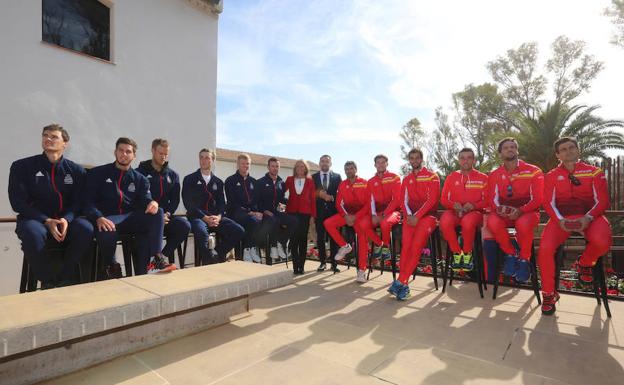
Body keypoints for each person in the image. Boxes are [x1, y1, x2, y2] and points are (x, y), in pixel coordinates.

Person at [8, 124, 94, 288]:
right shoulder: (22, 167)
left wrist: (66, 219)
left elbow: (79, 202)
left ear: (65, 143)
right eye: (45, 135)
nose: (48, 139)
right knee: (32, 233)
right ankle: (47, 281)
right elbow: (17, 202)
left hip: (65, 220)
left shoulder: (76, 171)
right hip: (35, 220)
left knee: (86, 229)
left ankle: (65, 277)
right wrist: (46, 220)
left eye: (54, 136)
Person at [538, 137, 612, 315]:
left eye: (571, 147)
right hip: (561, 219)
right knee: (545, 248)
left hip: (591, 217)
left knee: (602, 241)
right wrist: (560, 220)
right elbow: (548, 203)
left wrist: (588, 218)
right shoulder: (551, 176)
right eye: (563, 149)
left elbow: (603, 201)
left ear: (578, 150)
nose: (568, 151)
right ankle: (549, 293)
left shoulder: (594, 172)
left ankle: (584, 263)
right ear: (558, 155)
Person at [84, 137, 175, 276]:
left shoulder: (140, 179)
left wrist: (153, 203)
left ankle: (156, 260)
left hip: (129, 219)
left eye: (128, 152)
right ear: (115, 152)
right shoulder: (98, 173)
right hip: (107, 219)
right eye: (121, 150)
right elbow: (88, 202)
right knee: (106, 233)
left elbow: (146, 199)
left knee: (158, 212)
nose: (124, 154)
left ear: (134, 156)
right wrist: (98, 217)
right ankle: (112, 266)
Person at [486, 137, 544, 283]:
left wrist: (521, 211)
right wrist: (499, 209)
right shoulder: (494, 174)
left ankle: (524, 260)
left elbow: (538, 198)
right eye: (506, 148)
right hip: (504, 214)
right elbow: (492, 199)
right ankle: (511, 254)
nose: (510, 149)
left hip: (529, 212)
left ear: (517, 150)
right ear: (500, 153)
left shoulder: (534, 171)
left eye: (512, 147)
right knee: (492, 221)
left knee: (523, 224)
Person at [388, 148, 440, 301]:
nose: (414, 160)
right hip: (410, 218)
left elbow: (432, 200)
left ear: (421, 159)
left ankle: (400, 281)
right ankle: (403, 286)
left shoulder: (432, 176)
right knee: (406, 249)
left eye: (417, 158)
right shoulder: (407, 178)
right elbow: (403, 200)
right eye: (412, 158)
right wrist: (409, 215)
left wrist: (417, 216)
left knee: (416, 247)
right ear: (409, 160)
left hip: (428, 217)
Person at [182, 149, 245, 264]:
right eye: (201, 157)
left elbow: (222, 203)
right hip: (197, 217)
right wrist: (204, 217)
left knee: (238, 230)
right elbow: (188, 203)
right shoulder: (189, 179)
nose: (204, 160)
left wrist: (219, 217)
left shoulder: (219, 182)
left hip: (216, 217)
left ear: (213, 160)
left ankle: (216, 253)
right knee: (201, 234)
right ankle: (209, 262)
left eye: (207, 158)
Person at [137, 139, 190, 267]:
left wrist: (167, 214)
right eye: (161, 153)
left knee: (184, 225)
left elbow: (175, 199)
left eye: (166, 154)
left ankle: (159, 258)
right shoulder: (139, 172)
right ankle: (153, 263)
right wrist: (157, 215)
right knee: (144, 240)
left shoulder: (173, 175)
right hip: (146, 218)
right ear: (153, 150)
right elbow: (138, 197)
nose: (163, 157)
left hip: (165, 218)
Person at [439, 148, 488, 272]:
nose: (465, 161)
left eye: (469, 158)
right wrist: (452, 205)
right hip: (455, 213)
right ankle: (456, 253)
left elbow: (488, 200)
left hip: (475, 214)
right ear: (459, 160)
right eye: (462, 158)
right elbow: (443, 199)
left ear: (474, 160)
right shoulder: (451, 177)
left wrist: (474, 205)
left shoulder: (483, 178)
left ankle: (467, 254)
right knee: (444, 221)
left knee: (467, 221)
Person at [323, 161, 369, 282]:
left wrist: (356, 216)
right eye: (347, 169)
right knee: (328, 223)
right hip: (347, 215)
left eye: (351, 168)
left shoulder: (364, 183)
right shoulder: (342, 185)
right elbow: (338, 203)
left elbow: (369, 204)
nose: (349, 171)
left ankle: (361, 271)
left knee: (362, 241)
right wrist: (346, 216)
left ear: (356, 169)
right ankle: (345, 246)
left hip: (362, 217)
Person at [355, 154, 401, 266]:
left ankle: (386, 248)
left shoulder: (395, 177)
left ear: (387, 163)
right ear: (375, 165)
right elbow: (370, 201)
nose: (380, 164)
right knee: (362, 224)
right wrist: (373, 215)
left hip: (393, 212)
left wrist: (385, 214)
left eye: (383, 162)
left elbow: (397, 199)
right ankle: (379, 244)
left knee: (385, 223)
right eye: (378, 162)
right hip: (377, 213)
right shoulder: (370, 182)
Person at [255, 157, 297, 261]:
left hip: (277, 213)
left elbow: (281, 200)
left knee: (294, 221)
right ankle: (273, 247)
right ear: (268, 167)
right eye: (272, 166)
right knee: (274, 220)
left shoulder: (281, 182)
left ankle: (280, 242)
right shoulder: (260, 182)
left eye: (277, 166)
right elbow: (257, 201)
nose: (275, 168)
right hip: (265, 214)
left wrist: (282, 211)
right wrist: (264, 210)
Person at [224, 154, 262, 262]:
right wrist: (250, 212)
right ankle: (246, 250)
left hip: (251, 214)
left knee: (261, 220)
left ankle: (251, 249)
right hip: (235, 213)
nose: (245, 166)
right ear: (237, 165)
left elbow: (256, 200)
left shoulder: (254, 182)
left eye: (247, 164)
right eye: (243, 164)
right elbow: (232, 201)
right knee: (252, 221)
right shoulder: (230, 181)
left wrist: (257, 212)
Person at [285, 160, 316, 274]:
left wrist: (313, 215)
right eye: (298, 166)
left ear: (306, 168)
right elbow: (280, 192)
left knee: (303, 240)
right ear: (295, 168)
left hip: (305, 214)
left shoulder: (310, 181)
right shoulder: (289, 179)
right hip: (292, 213)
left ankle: (301, 266)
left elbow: (313, 199)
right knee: (293, 240)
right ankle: (295, 266)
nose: (300, 168)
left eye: (302, 166)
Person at [312, 155, 342, 272]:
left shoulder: (337, 177)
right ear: (319, 163)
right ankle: (322, 262)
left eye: (327, 162)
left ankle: (334, 264)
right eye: (322, 161)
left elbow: (341, 194)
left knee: (333, 238)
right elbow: (311, 193)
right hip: (319, 212)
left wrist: (332, 197)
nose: (325, 163)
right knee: (320, 238)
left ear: (330, 164)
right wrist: (320, 194)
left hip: (333, 213)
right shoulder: (313, 177)